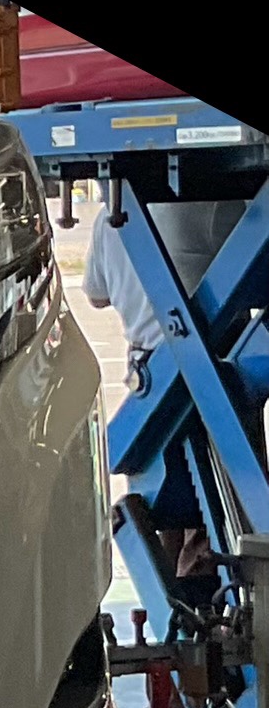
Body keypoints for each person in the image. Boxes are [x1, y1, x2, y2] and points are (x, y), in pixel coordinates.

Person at [83, 196, 244, 581]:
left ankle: (177, 592)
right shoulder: (213, 204)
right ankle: (217, 585)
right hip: (213, 369)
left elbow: (96, 295)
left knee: (165, 507)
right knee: (227, 501)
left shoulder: (109, 217)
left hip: (148, 374)